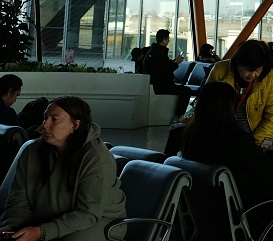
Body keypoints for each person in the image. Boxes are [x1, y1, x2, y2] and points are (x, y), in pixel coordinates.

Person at [180, 82, 273, 241]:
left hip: (212, 212)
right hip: (252, 207)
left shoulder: (191, 136)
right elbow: (268, 174)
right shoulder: (237, 140)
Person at [0, 96, 126, 241]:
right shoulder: (32, 151)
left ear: (75, 125)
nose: (45, 124)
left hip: (99, 222)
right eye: (45, 118)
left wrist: (42, 231)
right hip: (49, 219)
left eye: (54, 119)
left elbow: (88, 213)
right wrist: (12, 227)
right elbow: (18, 199)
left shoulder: (97, 158)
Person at [205, 40, 273, 144]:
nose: (253, 75)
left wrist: (252, 142)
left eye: (258, 70)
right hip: (223, 135)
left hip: (259, 137)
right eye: (249, 70)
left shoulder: (269, 76)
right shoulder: (220, 70)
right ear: (237, 63)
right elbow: (206, 106)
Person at [142, 29, 191, 118]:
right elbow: (166, 70)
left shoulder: (152, 51)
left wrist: (173, 62)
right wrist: (176, 63)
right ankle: (179, 115)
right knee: (186, 91)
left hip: (155, 84)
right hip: (161, 85)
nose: (169, 41)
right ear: (164, 40)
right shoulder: (160, 53)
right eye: (168, 39)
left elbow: (161, 66)